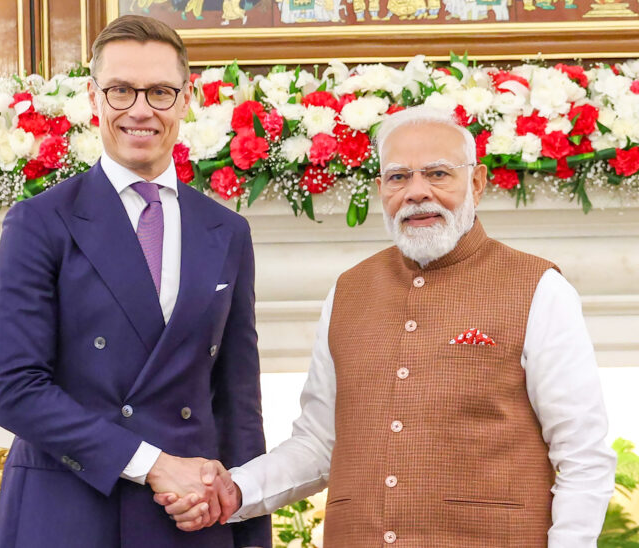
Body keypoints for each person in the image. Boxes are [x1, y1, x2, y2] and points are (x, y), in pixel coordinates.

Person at [158, 105, 617, 547]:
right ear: (381, 189)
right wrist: (236, 489)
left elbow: (583, 456)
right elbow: (318, 444)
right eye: (399, 177)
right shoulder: (349, 291)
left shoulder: (538, 288)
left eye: (438, 173)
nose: (417, 192)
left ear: (476, 183)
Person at [0, 14, 270, 548]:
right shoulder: (39, 222)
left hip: (190, 520)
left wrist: (249, 530)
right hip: (69, 515)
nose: (141, 110)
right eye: (121, 90)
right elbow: (15, 390)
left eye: (160, 91)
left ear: (186, 99)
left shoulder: (227, 231)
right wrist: (155, 464)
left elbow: (238, 406)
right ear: (94, 96)